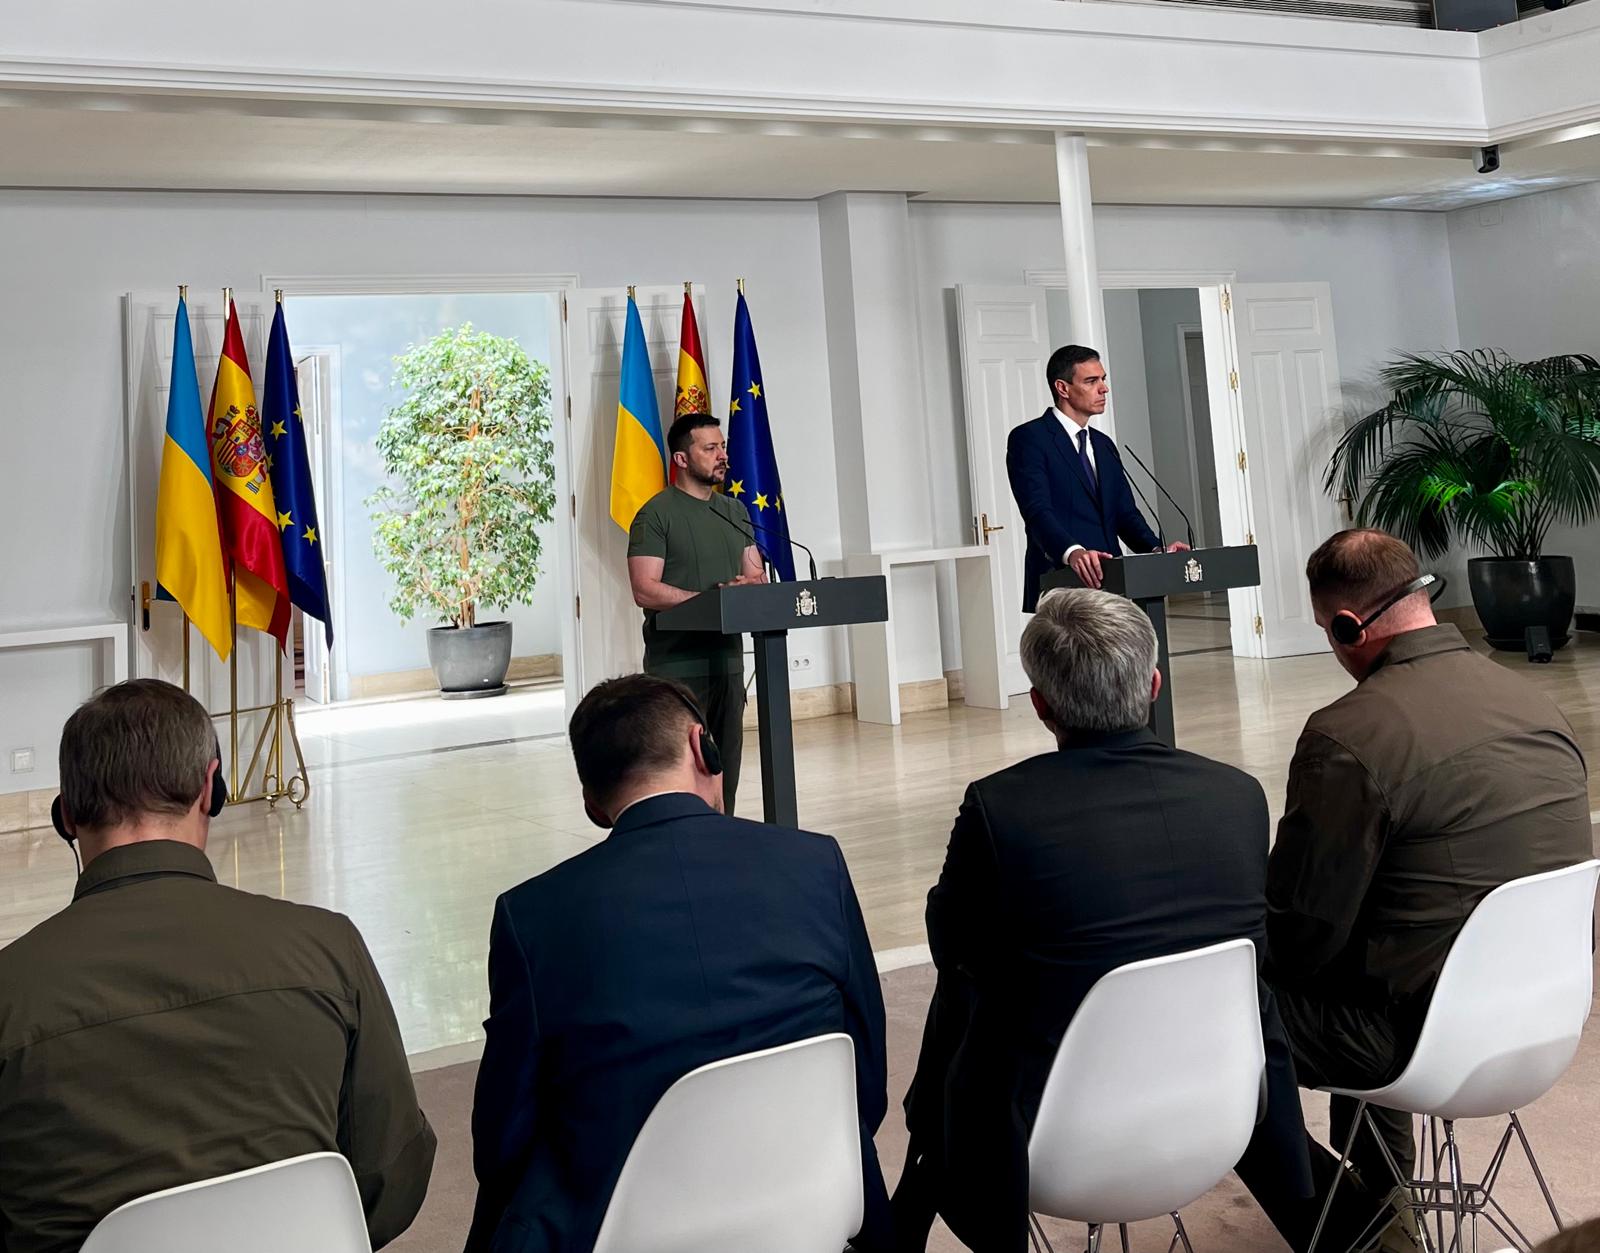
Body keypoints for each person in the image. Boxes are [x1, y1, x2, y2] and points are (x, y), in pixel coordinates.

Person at [892, 588, 1309, 1253]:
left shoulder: (1002, 808)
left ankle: (914, 1198)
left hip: (1059, 1138)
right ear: (1154, 684)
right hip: (1223, 1108)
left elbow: (951, 942)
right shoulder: (1238, 795)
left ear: (1041, 705)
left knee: (967, 993)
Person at [1245, 529, 1592, 1252]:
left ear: (1349, 627)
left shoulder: (1347, 735)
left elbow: (1300, 939)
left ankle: (1358, 1232)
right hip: (1547, 1018)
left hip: (1420, 1041)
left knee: (1221, 1016)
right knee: (1387, 955)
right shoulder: (1537, 704)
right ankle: (1383, 1192)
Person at [0, 679, 434, 1253]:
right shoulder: (330, 949)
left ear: (67, 813)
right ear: (212, 789)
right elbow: (391, 1178)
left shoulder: (11, 994)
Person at [466, 673, 890, 1253]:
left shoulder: (531, 916)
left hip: (620, 1232)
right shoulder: (816, 864)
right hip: (814, 1208)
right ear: (701, 746)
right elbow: (866, 1082)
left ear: (592, 803)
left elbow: (501, 1144)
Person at [627, 411, 766, 814]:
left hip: (728, 664)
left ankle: (723, 837)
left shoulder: (735, 511)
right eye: (710, 448)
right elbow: (644, 588)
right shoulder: (656, 514)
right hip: (677, 667)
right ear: (682, 459)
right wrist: (707, 600)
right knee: (682, 773)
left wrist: (749, 586)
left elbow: (754, 576)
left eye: (722, 446)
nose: (722, 455)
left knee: (725, 771)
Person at [1005, 344, 1188, 611]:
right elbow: (1037, 511)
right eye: (1091, 381)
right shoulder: (1030, 438)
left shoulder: (1103, 444)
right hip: (1062, 579)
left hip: (1111, 579)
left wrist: (1156, 550)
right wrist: (1073, 552)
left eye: (1103, 379)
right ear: (1063, 388)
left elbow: (1124, 513)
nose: (1104, 388)